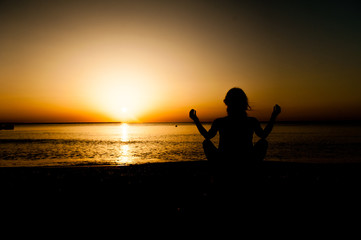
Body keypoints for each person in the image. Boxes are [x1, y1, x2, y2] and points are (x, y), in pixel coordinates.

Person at [189, 87, 281, 170]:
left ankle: (218, 169)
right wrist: (273, 116)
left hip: (223, 161)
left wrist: (196, 120)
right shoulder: (252, 121)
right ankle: (252, 168)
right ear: (244, 104)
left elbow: (207, 136)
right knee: (263, 143)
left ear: (227, 103)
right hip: (247, 160)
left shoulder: (220, 121)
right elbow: (263, 135)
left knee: (206, 143)